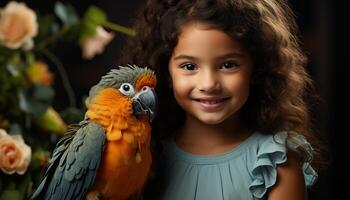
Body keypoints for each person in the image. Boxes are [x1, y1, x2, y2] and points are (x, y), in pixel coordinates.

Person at [119, 0, 326, 199]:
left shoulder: (276, 160)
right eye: (189, 67)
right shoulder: (145, 157)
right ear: (165, 72)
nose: (209, 84)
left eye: (228, 65)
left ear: (257, 67)